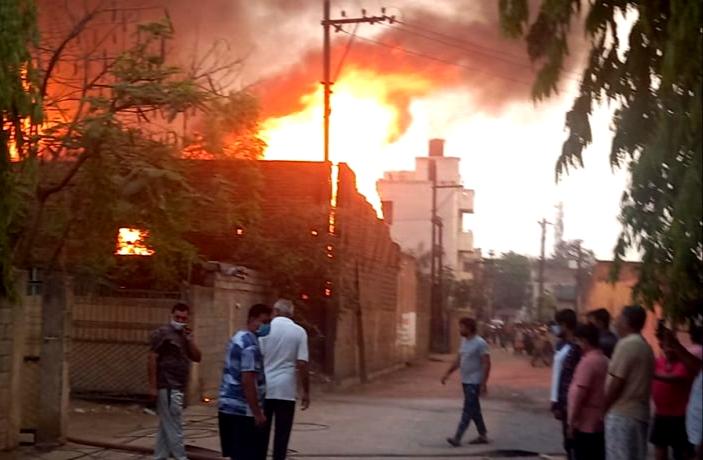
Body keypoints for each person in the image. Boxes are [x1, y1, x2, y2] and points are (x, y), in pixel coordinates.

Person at [218, 303, 273, 460]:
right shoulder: (250, 346)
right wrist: (257, 413)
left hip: (227, 406)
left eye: (268, 322)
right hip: (242, 411)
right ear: (252, 319)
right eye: (263, 322)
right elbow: (248, 381)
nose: (266, 326)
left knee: (236, 454)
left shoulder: (237, 338)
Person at [148, 302, 202, 460]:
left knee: (166, 425)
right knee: (174, 424)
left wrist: (190, 340)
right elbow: (152, 358)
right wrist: (152, 386)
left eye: (183, 318)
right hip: (167, 385)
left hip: (178, 386)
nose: (180, 320)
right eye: (177, 317)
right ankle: (181, 457)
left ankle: (159, 456)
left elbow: (197, 357)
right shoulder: (163, 333)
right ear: (171, 315)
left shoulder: (185, 335)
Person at [260, 299, 311, 460]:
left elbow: (256, 359)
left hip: (264, 389)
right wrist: (306, 391)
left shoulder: (263, 330)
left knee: (261, 433)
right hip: (286, 390)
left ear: (275, 311)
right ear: (291, 314)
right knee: (282, 434)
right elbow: (302, 363)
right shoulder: (299, 332)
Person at [604, 305, 654, 460]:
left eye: (618, 318)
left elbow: (617, 381)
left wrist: (603, 408)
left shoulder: (626, 344)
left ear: (626, 321)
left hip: (622, 414)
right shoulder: (644, 345)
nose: (616, 322)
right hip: (639, 414)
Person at [442, 317, 491, 447]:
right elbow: (458, 360)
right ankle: (483, 435)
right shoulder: (464, 341)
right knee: (474, 409)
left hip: (474, 382)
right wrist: (447, 373)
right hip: (465, 380)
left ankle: (457, 437)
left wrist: (483, 383)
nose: (460, 329)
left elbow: (486, 363)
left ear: (469, 328)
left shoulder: (480, 343)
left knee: (468, 410)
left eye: (462, 327)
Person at [650, 334, 696, 460]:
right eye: (667, 346)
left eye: (672, 347)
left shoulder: (683, 364)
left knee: (680, 453)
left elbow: (677, 378)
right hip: (660, 415)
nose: (669, 349)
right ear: (662, 347)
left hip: (679, 417)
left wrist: (654, 375)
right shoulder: (658, 362)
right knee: (659, 452)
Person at [567, 323, 609, 460]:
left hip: (585, 423)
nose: (577, 345)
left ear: (584, 340)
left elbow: (580, 394)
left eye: (577, 341)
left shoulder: (588, 362)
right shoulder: (604, 360)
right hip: (599, 421)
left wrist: (572, 422)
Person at [552, 309, 581, 460]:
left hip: (570, 401)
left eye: (557, 324)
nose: (555, 328)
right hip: (560, 399)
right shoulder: (561, 345)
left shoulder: (576, 347)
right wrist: (555, 401)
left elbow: (572, 379)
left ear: (564, 325)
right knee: (567, 441)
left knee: (573, 441)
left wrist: (563, 402)